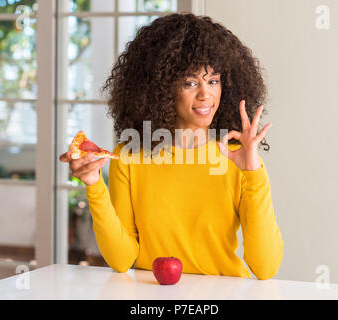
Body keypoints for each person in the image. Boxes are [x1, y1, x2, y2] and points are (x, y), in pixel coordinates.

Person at [59, 13, 284, 280]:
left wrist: (254, 174)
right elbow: (121, 260)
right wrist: (94, 184)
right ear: (163, 88)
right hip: (151, 294)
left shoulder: (238, 156)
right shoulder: (130, 154)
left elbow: (265, 267)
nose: (205, 94)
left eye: (213, 81)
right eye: (190, 82)